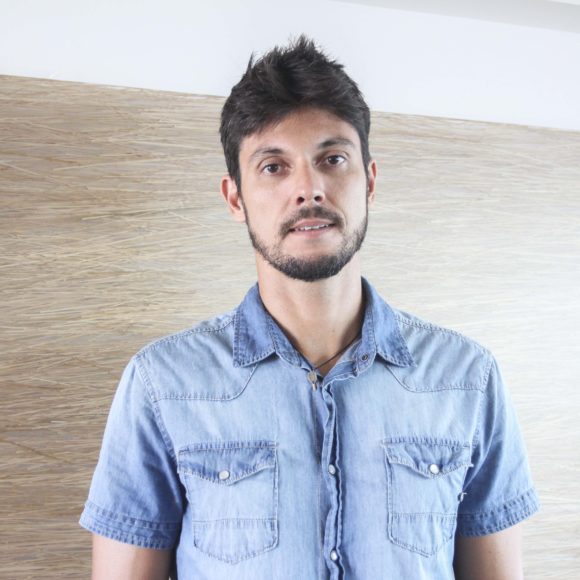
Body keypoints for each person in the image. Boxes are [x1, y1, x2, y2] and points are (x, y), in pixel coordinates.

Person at [80, 36, 539, 580]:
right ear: (235, 197)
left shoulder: (468, 378)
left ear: (369, 181)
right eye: (274, 167)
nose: (310, 189)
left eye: (332, 159)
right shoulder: (162, 383)